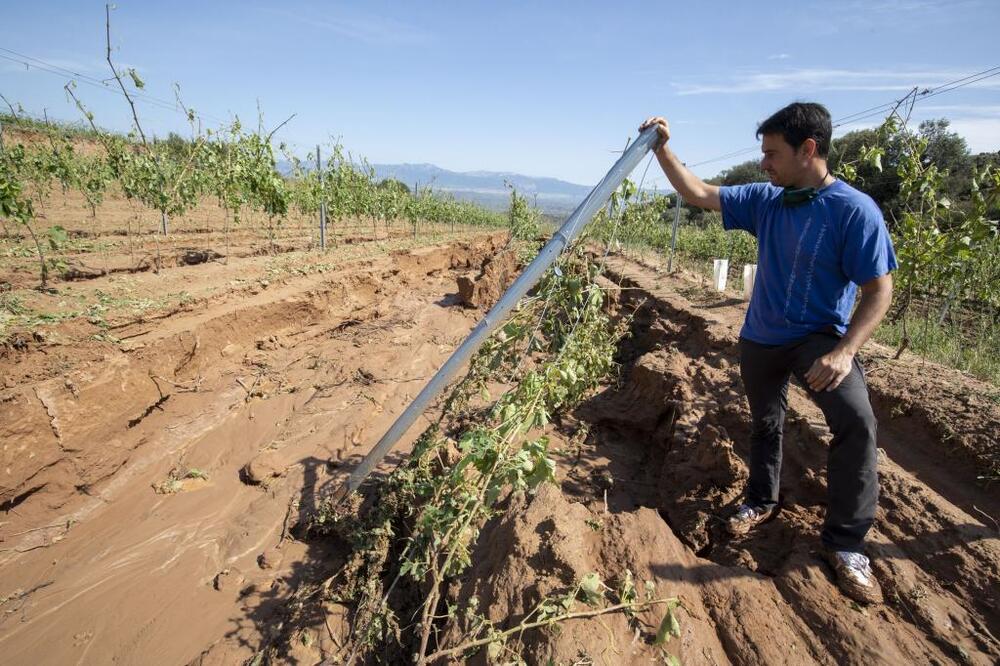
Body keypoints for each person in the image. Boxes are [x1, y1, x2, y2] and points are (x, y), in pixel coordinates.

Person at [640, 103, 896, 604]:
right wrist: (664, 149)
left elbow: (878, 289)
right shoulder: (767, 200)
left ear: (809, 150)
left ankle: (846, 545)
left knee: (857, 423)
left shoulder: (854, 211)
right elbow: (697, 193)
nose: (763, 164)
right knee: (764, 422)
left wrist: (845, 352)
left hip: (820, 338)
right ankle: (761, 499)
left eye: (772, 153)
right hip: (761, 337)